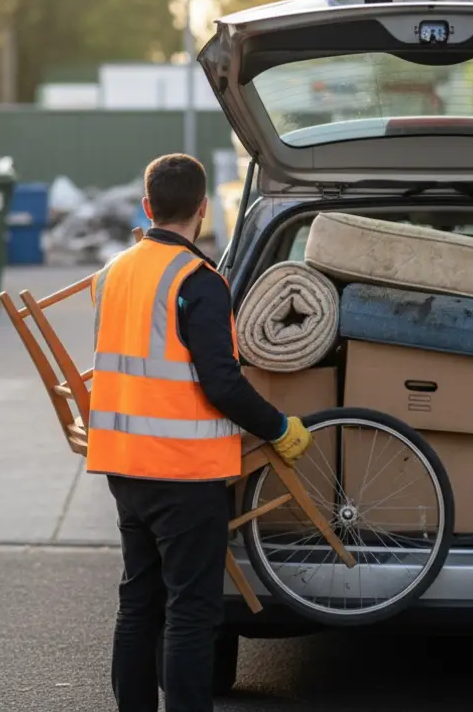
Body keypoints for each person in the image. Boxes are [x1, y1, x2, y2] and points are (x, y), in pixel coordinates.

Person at [86, 153, 314, 712]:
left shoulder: (112, 273)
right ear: (204, 210)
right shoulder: (198, 281)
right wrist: (279, 427)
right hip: (184, 472)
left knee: (139, 603)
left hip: (124, 466)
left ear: (147, 207)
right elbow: (222, 384)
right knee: (191, 611)